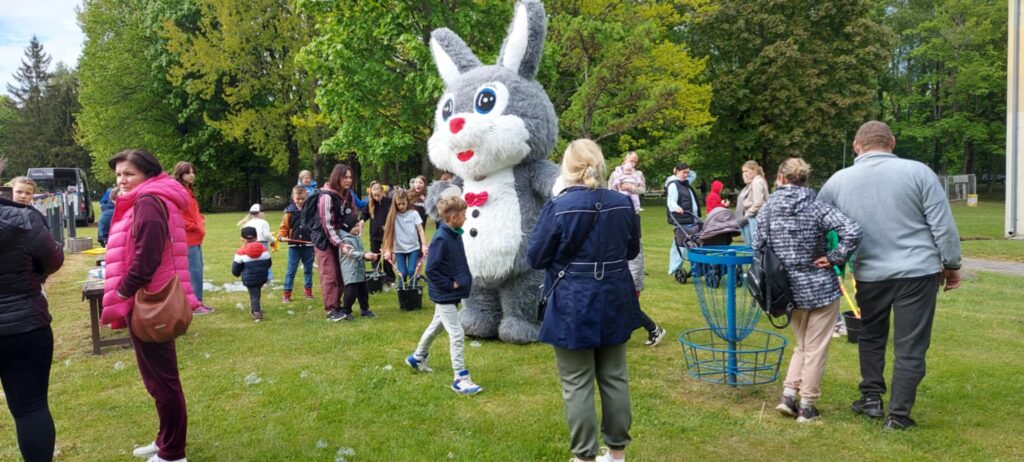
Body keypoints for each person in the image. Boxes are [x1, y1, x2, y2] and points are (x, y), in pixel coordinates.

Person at [818, 121, 962, 430]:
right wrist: (951, 264)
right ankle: (898, 416)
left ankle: (871, 398)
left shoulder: (837, 181)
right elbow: (943, 225)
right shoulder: (919, 172)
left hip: (870, 272)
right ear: (891, 142)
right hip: (918, 271)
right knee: (910, 344)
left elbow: (819, 226)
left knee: (871, 335)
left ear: (858, 146)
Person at [527, 139, 641, 462]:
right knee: (615, 375)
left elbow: (535, 256)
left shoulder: (560, 206)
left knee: (577, 383)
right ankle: (616, 455)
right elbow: (631, 250)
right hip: (614, 296)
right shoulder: (622, 203)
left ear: (568, 167)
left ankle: (584, 457)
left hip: (572, 301)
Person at [100, 149, 200, 462]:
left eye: (128, 173)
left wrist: (122, 291)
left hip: (149, 302)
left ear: (147, 172)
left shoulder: (147, 201)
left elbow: (147, 257)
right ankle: (165, 440)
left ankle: (173, 453)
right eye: (118, 174)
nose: (122, 180)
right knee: (159, 379)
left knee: (163, 381)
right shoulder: (151, 197)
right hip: (148, 298)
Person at [756, 158, 862, 423]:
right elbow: (853, 230)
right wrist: (835, 256)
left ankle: (788, 396)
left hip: (786, 291)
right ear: (805, 180)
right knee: (815, 349)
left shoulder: (768, 209)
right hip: (820, 288)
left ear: (780, 178)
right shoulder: (817, 207)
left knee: (802, 346)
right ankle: (807, 406)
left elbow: (758, 245)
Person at [0, 188, 64, 462]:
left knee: (30, 408)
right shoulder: (23, 218)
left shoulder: (22, 217)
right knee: (31, 407)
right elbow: (52, 260)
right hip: (24, 326)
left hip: (23, 322)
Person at [405, 195, 482, 395]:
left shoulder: (454, 234)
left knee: (435, 326)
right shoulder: (441, 238)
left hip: (450, 294)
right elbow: (431, 270)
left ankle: (417, 357)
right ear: (454, 217)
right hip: (445, 294)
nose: (466, 218)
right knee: (457, 334)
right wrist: (450, 284)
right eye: (463, 214)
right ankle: (460, 378)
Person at [316, 164, 361, 321]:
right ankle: (331, 310)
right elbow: (327, 226)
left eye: (350, 177)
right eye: (345, 177)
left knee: (343, 272)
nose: (348, 180)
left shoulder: (348, 195)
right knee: (330, 274)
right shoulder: (326, 197)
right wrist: (341, 244)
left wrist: (357, 225)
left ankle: (338, 306)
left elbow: (351, 215)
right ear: (337, 177)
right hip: (324, 241)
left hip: (341, 238)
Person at [172, 162, 213, 314]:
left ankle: (198, 301)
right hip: (187, 238)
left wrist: (200, 221)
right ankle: (194, 305)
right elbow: (177, 216)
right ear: (180, 174)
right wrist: (194, 226)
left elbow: (193, 212)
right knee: (193, 272)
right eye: (188, 172)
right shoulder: (178, 192)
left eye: (193, 172)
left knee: (198, 270)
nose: (192, 175)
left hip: (196, 238)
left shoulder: (189, 191)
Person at [382, 189, 428, 290]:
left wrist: (424, 244)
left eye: (403, 203)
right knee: (402, 272)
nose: (401, 206)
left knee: (412, 270)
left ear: (407, 201)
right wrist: (387, 250)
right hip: (399, 249)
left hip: (413, 248)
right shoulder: (393, 216)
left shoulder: (414, 213)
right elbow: (388, 234)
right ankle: (402, 292)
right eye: (399, 204)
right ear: (395, 204)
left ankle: (413, 291)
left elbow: (420, 229)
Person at [336, 216, 378, 321]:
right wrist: (364, 255)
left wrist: (369, 257)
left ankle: (365, 309)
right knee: (351, 293)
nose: (357, 228)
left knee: (363, 292)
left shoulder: (357, 238)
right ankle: (346, 311)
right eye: (354, 226)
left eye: (357, 225)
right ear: (347, 228)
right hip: (350, 272)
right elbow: (351, 253)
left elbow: (361, 252)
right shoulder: (345, 240)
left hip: (360, 271)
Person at [278, 186, 315, 303]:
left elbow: (315, 226)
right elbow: (284, 227)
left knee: (308, 270)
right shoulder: (289, 212)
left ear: (307, 198)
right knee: (291, 270)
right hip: (293, 247)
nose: (300, 201)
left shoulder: (311, 211)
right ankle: (286, 294)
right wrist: (281, 236)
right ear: (293, 198)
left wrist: (315, 238)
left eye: (302, 199)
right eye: (297, 198)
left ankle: (308, 291)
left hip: (308, 246)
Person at [232, 227, 272, 322]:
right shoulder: (264, 249)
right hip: (262, 276)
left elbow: (236, 268)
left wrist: (236, 273)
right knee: (257, 292)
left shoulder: (241, 252)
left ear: (242, 239)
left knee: (253, 295)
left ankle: (257, 313)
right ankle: (256, 308)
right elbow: (269, 263)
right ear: (257, 237)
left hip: (249, 278)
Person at [361, 181, 396, 284]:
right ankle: (377, 277)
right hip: (374, 235)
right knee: (375, 257)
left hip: (386, 235)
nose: (376, 195)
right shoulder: (370, 203)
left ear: (381, 191)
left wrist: (389, 225)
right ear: (371, 193)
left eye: (378, 191)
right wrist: (362, 220)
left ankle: (389, 279)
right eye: (374, 192)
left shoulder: (388, 201)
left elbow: (394, 214)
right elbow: (364, 214)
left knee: (387, 257)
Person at [237, 203, 274, 281]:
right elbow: (266, 235)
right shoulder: (264, 222)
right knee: (264, 262)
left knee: (251, 262)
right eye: (263, 212)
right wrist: (273, 240)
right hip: (262, 244)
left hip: (249, 244)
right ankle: (267, 279)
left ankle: (252, 277)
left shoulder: (248, 223)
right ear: (260, 213)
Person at [735, 160, 769, 245]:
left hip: (754, 218)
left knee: (753, 246)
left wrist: (747, 214)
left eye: (747, 171)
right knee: (751, 246)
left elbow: (758, 203)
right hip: (750, 219)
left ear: (754, 170)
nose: (745, 174)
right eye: (743, 172)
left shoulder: (757, 182)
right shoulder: (753, 182)